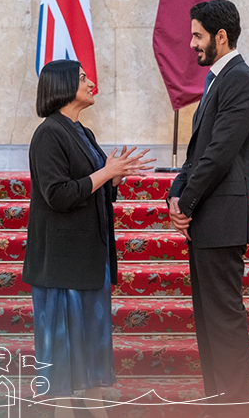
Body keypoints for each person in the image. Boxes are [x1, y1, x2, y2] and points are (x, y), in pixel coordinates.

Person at [23, 59, 154, 418]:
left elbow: (93, 188)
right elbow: (58, 195)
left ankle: (95, 405)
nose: (91, 82)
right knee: (64, 343)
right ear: (64, 86)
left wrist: (114, 177)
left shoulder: (83, 131)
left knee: (92, 338)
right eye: (83, 78)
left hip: (89, 256)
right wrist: (106, 173)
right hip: (61, 261)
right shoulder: (49, 133)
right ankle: (63, 410)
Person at [166, 0, 249, 417]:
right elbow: (197, 153)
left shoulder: (241, 79)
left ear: (220, 36)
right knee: (208, 322)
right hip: (207, 219)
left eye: (197, 35)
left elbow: (220, 153)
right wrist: (175, 193)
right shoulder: (216, 80)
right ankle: (218, 402)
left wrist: (186, 203)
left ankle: (235, 406)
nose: (192, 44)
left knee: (223, 319)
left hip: (222, 219)